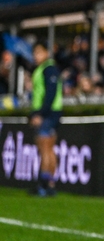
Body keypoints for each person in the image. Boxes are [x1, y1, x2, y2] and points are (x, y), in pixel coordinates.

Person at [29, 43, 63, 197]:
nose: (35, 56)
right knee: (49, 148)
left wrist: (40, 114)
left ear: (46, 53)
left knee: (45, 148)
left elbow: (50, 93)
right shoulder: (46, 69)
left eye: (38, 52)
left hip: (48, 114)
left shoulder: (49, 69)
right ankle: (49, 183)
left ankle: (44, 185)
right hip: (51, 113)